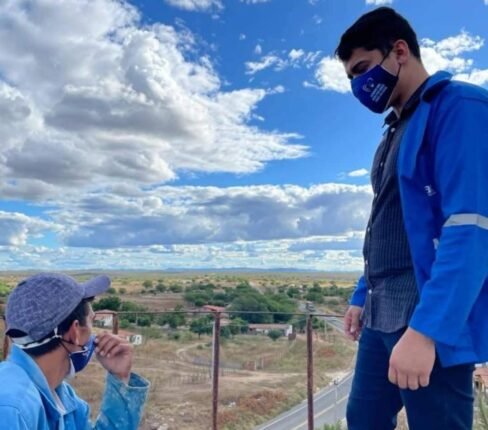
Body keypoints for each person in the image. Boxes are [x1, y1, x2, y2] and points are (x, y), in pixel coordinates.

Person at [336, 7, 488, 430]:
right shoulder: (393, 130)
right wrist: (361, 294)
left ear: (399, 51)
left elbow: (472, 226)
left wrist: (428, 330)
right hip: (380, 311)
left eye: (362, 69)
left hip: (425, 313)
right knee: (362, 419)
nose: (359, 85)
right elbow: (389, 225)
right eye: (351, 78)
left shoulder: (459, 106)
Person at [0, 273, 150, 429]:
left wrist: (120, 377)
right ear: (75, 332)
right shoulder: (10, 410)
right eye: (92, 321)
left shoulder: (62, 397)